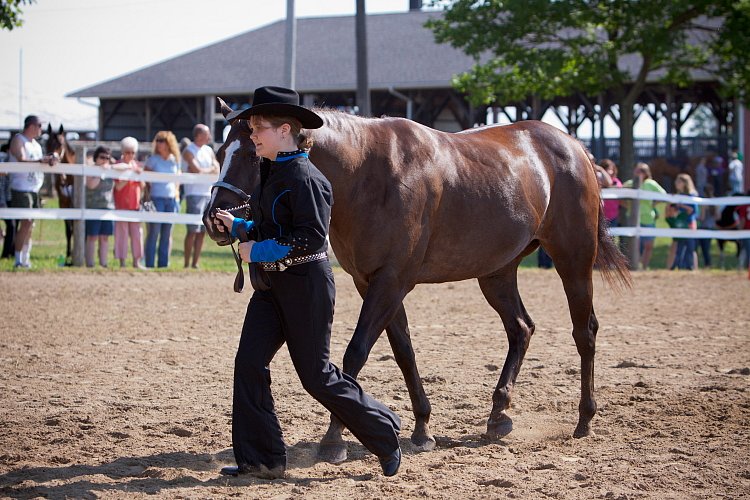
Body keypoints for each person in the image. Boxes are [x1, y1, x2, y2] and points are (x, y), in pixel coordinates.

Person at [211, 86, 402, 479]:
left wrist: (257, 251)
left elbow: (310, 238)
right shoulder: (269, 170)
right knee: (248, 364)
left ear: (284, 130)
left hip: (305, 288)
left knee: (317, 378)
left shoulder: (306, 178)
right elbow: (272, 226)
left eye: (257, 128)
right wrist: (241, 226)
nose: (252, 136)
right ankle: (262, 459)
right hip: (271, 289)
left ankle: (384, 431)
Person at [7, 115, 59, 268]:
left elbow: (39, 161)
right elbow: (21, 159)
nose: (41, 129)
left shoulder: (36, 144)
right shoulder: (18, 140)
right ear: (31, 126)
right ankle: (17, 258)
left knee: (31, 225)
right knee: (26, 222)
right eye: (39, 126)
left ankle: (25, 258)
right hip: (21, 187)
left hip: (34, 189)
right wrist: (40, 161)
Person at [181, 124, 220, 268]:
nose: (209, 136)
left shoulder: (208, 150)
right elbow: (196, 170)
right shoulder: (189, 150)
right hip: (194, 193)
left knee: (203, 230)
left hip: (207, 193)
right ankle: (186, 263)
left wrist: (207, 170)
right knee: (192, 230)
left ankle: (195, 263)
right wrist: (210, 170)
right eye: (206, 134)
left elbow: (217, 167)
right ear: (198, 135)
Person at [143, 131, 180, 268]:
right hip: (156, 198)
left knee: (166, 233)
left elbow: (177, 180)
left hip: (171, 200)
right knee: (153, 233)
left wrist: (176, 196)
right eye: (157, 140)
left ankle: (163, 264)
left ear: (168, 142)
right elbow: (145, 179)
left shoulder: (174, 160)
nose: (158, 143)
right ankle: (149, 264)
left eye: (162, 140)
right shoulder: (152, 159)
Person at [623, 163, 666, 270]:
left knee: (648, 245)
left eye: (641, 170)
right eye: (637, 170)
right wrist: (627, 205)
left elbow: (663, 195)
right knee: (634, 245)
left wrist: (654, 204)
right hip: (633, 218)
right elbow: (619, 195)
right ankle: (634, 265)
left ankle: (645, 266)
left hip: (648, 218)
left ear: (646, 172)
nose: (638, 172)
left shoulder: (651, 184)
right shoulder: (630, 183)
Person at [112, 137, 145, 269]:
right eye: (127, 152)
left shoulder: (136, 166)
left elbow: (142, 186)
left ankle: (136, 261)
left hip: (135, 205)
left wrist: (138, 175)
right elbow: (118, 187)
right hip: (121, 205)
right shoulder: (119, 166)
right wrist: (130, 175)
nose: (130, 155)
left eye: (132, 153)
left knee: (137, 234)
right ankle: (122, 261)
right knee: (122, 234)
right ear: (123, 152)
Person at [85, 146, 116, 268]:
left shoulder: (110, 170)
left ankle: (103, 263)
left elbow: (123, 166)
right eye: (102, 157)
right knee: (92, 236)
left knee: (104, 237)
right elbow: (91, 185)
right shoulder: (91, 170)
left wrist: (111, 166)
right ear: (96, 158)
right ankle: (90, 264)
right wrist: (100, 172)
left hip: (107, 208)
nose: (104, 160)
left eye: (107, 158)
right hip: (93, 207)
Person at [664, 173, 698, 270]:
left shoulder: (691, 195)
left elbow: (694, 210)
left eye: (679, 181)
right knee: (680, 246)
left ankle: (691, 267)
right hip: (680, 223)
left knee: (690, 247)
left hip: (689, 223)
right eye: (676, 181)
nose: (676, 183)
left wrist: (680, 206)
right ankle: (678, 265)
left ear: (685, 183)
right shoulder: (678, 196)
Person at [696, 183, 718, 268]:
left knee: (704, 248)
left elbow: (702, 217)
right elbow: (717, 216)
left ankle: (707, 264)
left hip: (704, 227)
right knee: (707, 247)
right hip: (711, 227)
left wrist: (695, 217)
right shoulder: (715, 201)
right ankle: (708, 264)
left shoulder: (704, 202)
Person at [600, 159, 622, 228]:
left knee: (612, 236)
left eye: (610, 169)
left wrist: (601, 170)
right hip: (601, 215)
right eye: (605, 169)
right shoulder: (599, 181)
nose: (609, 172)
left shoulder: (616, 181)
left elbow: (617, 187)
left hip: (613, 215)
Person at [735, 194, 750, 271]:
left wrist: (739, 232)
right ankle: (741, 267)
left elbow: (742, 220)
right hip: (746, 231)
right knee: (745, 250)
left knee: (746, 251)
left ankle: (745, 268)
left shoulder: (744, 206)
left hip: (746, 231)